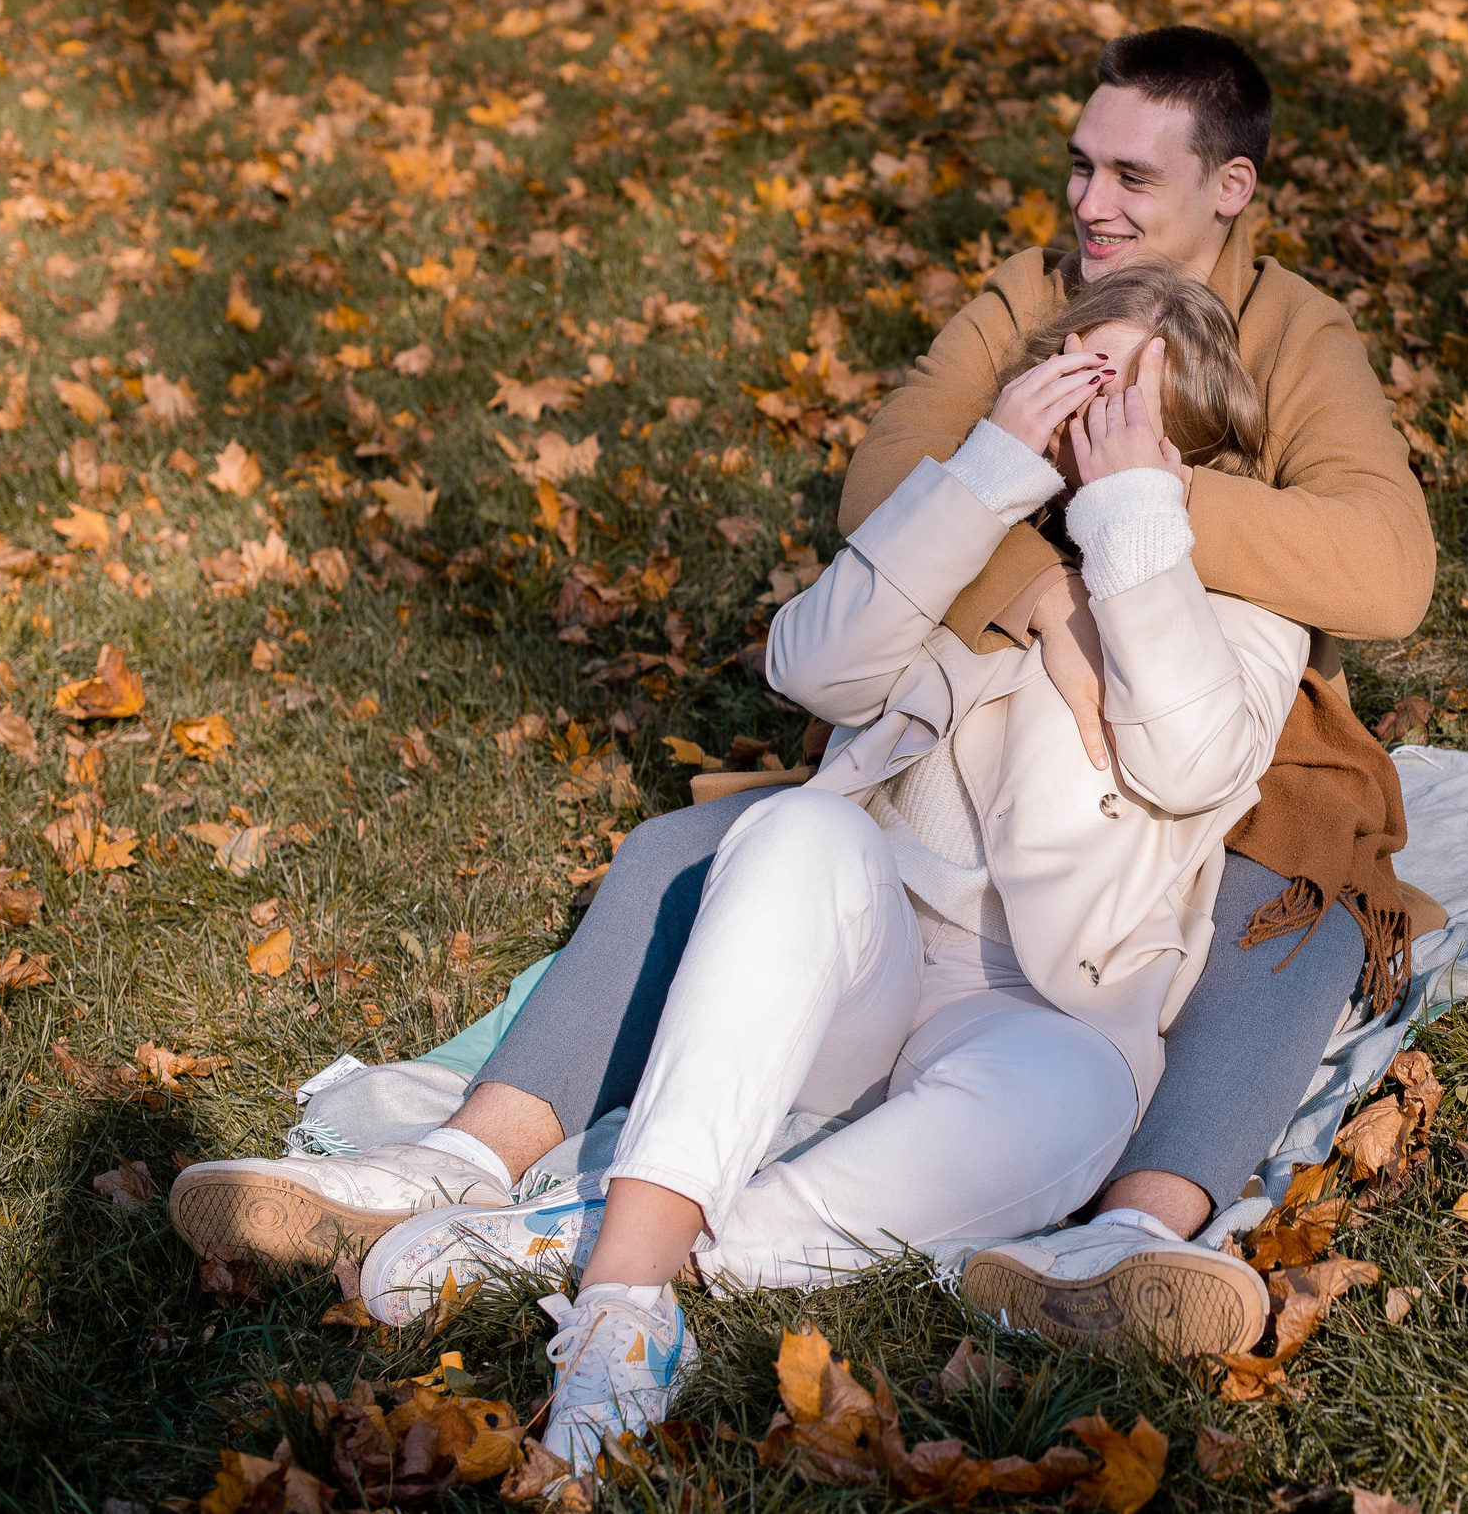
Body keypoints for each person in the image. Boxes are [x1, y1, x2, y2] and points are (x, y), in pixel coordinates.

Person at [168, 24, 1440, 1355]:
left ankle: (1134, 1228)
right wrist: (1034, 567)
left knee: (1291, 913)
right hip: (972, 673)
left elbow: (1382, 565)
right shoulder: (1032, 295)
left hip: (1203, 697)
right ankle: (466, 1159)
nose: (1090, 204)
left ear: (1229, 187)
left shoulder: (1292, 330)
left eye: (1132, 176)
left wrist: (1140, 502)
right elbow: (884, 482)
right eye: (1079, 166)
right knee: (714, 848)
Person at [353, 267, 1313, 1465]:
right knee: (798, 830)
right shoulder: (979, 535)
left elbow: (1189, 759)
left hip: (1050, 1011)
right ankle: (626, 1302)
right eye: (1081, 377)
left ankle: (611, 1234)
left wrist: (1131, 525)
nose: (1094, 414)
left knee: (1068, 1104)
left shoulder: (1242, 607)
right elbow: (806, 668)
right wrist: (986, 471)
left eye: (1130, 399)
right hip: (866, 949)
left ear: (1192, 442)